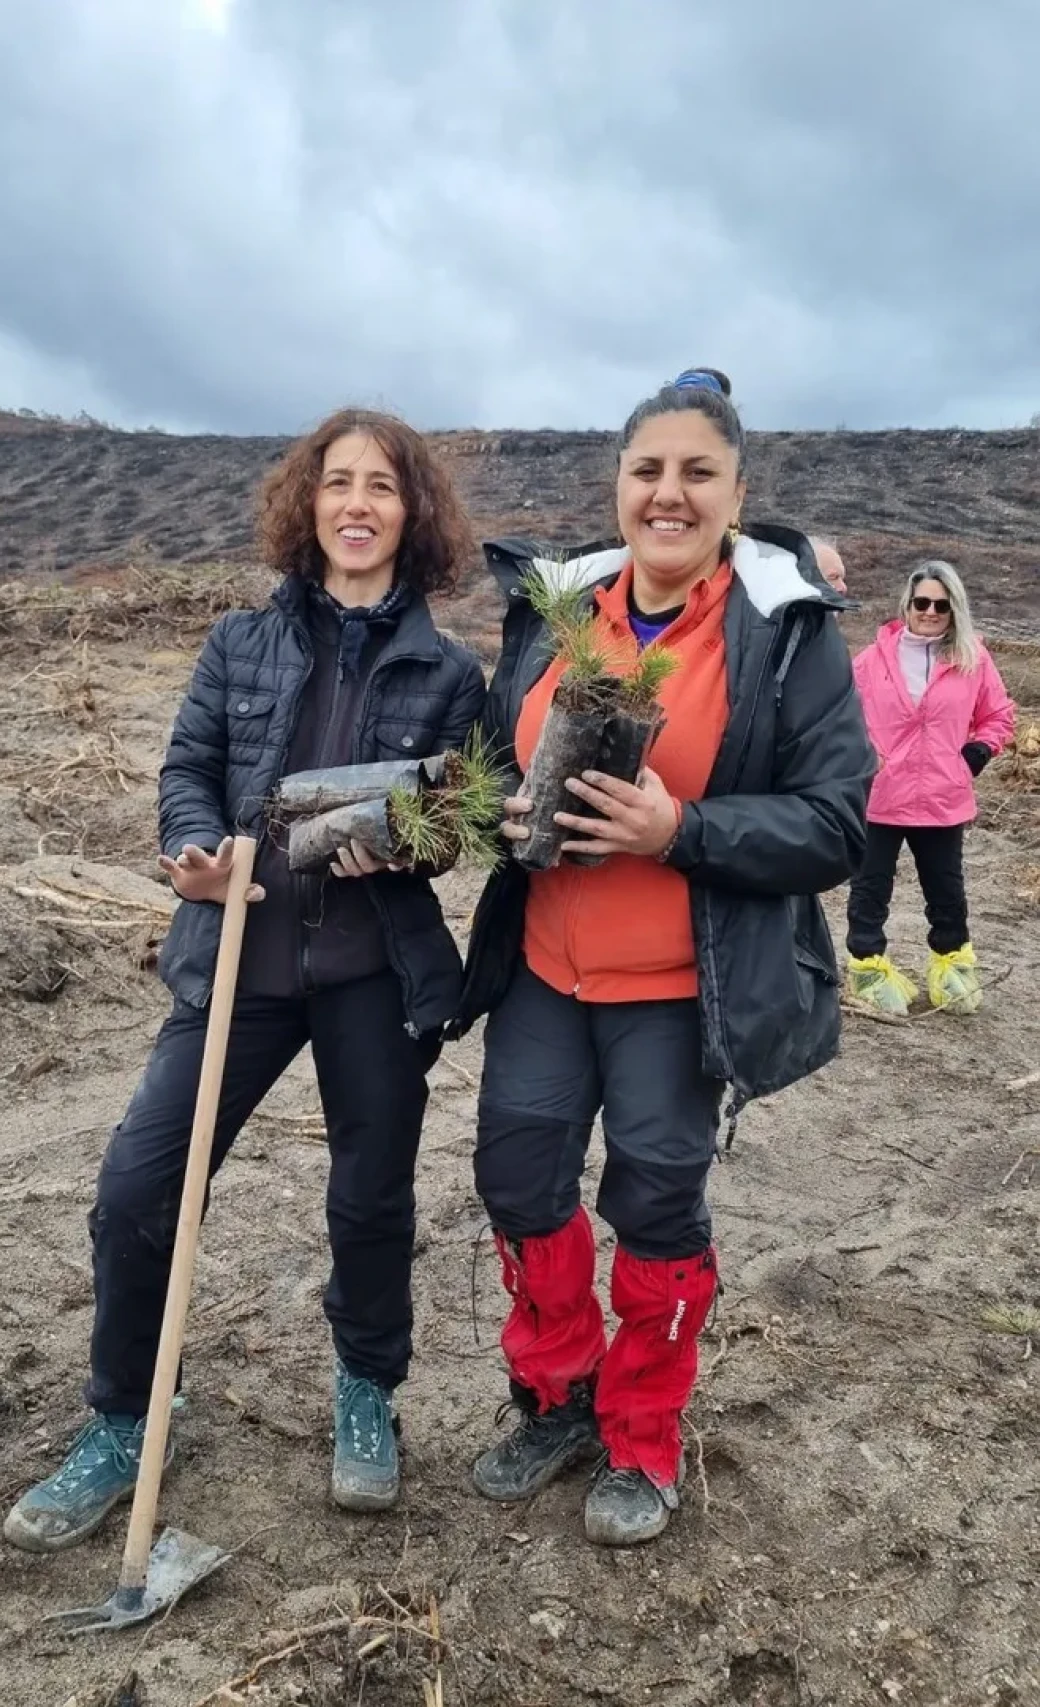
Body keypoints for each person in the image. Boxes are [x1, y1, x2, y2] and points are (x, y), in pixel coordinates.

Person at [3, 408, 486, 1551]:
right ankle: (123, 1419)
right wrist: (193, 851)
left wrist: (404, 842)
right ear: (306, 504)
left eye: (381, 486)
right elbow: (189, 768)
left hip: (374, 970)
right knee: (138, 1188)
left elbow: (450, 828)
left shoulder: (449, 670)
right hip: (240, 959)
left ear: (411, 513)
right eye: (337, 483)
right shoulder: (240, 644)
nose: (357, 504)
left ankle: (366, 1394)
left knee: (369, 1201)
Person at [447, 367, 872, 1547]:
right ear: (617, 486)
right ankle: (560, 1395)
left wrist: (676, 830)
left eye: (695, 473)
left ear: (736, 492)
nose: (666, 494)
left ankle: (640, 1432)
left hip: (681, 988)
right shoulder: (557, 610)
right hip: (542, 969)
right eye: (646, 471)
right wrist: (469, 807)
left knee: (654, 1204)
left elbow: (836, 822)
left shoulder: (781, 635)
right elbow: (496, 753)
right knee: (520, 1183)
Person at [844, 561, 1015, 1017]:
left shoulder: (972, 659)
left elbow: (998, 714)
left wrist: (976, 753)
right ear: (908, 603)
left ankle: (952, 968)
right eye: (923, 602)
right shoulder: (872, 660)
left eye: (942, 604)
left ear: (954, 609)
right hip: (880, 797)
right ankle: (867, 970)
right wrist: (856, 758)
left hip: (943, 798)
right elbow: (838, 713)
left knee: (946, 891)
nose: (931, 611)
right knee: (869, 889)